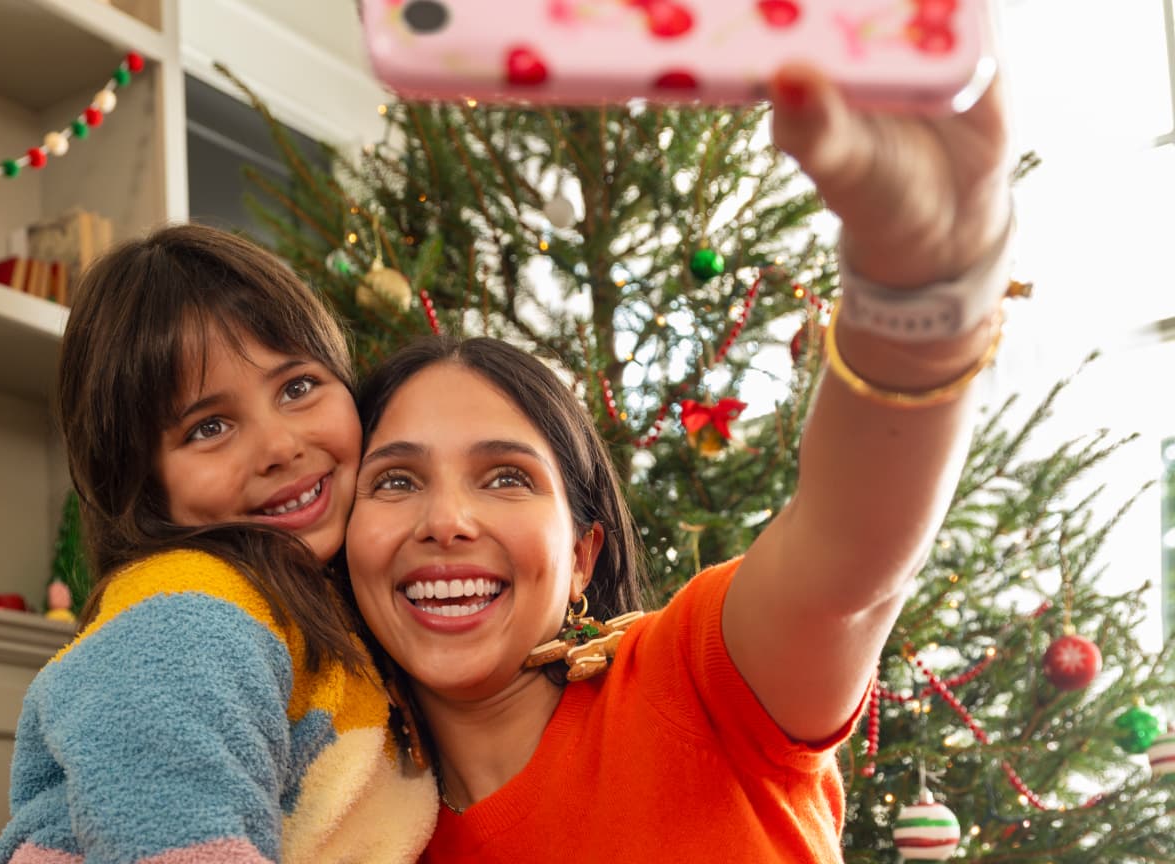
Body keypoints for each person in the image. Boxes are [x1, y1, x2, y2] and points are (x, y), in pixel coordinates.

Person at [342, 65, 1015, 862]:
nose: (446, 521)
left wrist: (924, 284)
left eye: (507, 478)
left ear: (583, 555)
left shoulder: (697, 681)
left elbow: (852, 554)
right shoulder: (335, 834)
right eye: (395, 480)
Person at [0, 225, 436, 864]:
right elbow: (179, 843)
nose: (279, 447)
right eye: (210, 427)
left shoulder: (325, 602)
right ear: (141, 482)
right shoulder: (182, 612)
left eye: (298, 387)